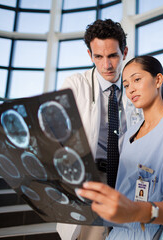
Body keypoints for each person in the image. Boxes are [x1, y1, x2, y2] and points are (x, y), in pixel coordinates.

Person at [77, 55, 163, 239]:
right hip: (115, 233)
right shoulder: (129, 134)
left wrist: (137, 211)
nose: (130, 89)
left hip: (146, 233)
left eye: (137, 79)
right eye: (126, 84)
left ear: (158, 80)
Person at [56, 19, 142, 240]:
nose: (107, 65)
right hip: (92, 180)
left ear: (124, 52)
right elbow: (58, 133)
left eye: (113, 55)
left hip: (127, 179)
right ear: (89, 55)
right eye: (98, 57)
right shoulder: (76, 85)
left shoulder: (136, 87)